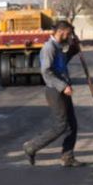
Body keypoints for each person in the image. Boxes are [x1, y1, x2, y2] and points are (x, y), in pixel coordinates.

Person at [22, 20, 83, 167]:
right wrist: (63, 86)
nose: (69, 37)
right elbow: (46, 71)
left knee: (72, 125)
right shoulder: (49, 48)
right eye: (68, 34)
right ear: (61, 32)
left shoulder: (58, 47)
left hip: (62, 88)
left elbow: (61, 64)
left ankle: (67, 157)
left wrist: (73, 49)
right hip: (54, 90)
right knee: (61, 125)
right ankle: (31, 147)